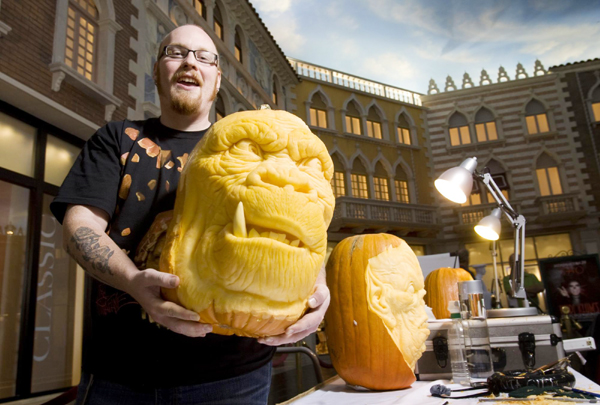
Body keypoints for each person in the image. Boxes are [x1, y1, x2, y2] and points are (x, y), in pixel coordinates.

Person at [50, 24, 329, 405]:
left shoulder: (253, 144)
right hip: (120, 374)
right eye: (175, 53)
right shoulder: (117, 139)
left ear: (217, 80)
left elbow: (302, 224)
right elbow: (79, 227)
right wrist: (133, 281)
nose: (189, 63)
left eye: (203, 57)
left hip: (234, 376)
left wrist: (318, 290)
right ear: (157, 72)